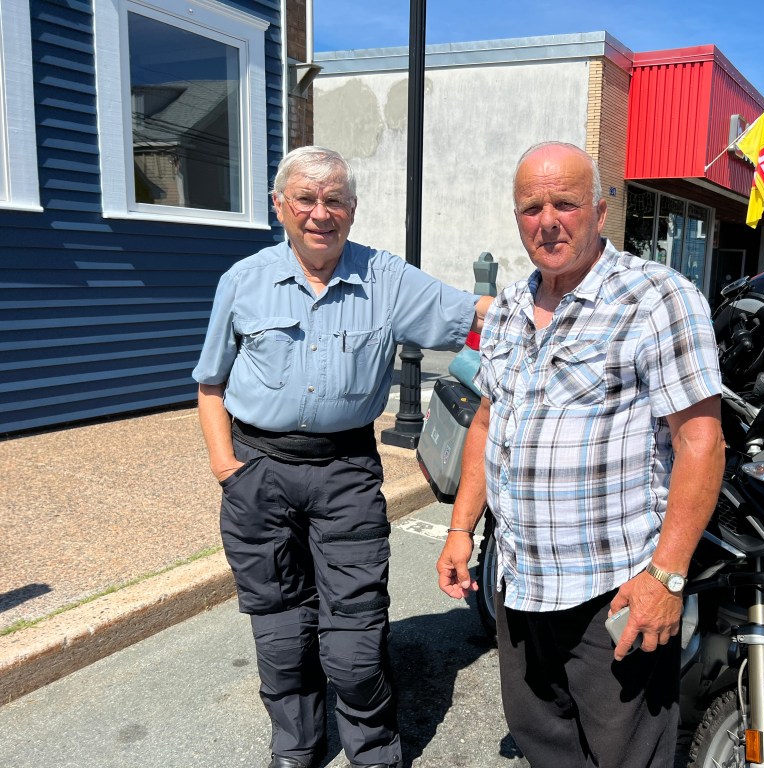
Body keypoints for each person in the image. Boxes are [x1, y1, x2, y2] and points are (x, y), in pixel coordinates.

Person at [193, 145, 491, 768]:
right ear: (280, 206)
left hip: (346, 473)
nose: (320, 213)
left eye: (334, 200)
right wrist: (228, 470)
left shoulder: (385, 278)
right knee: (281, 635)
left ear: (352, 209)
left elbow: (475, 314)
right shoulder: (242, 281)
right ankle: (295, 747)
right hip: (259, 471)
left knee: (354, 644)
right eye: (306, 198)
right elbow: (211, 384)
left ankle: (374, 750)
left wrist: (563, 299)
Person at [436, 142, 725, 767]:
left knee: (625, 758)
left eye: (564, 203)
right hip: (519, 583)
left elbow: (701, 441)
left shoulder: (656, 298)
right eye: (531, 207)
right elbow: (486, 420)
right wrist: (461, 529)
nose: (547, 221)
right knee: (545, 744)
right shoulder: (509, 307)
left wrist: (666, 577)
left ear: (599, 210)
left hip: (614, 592)